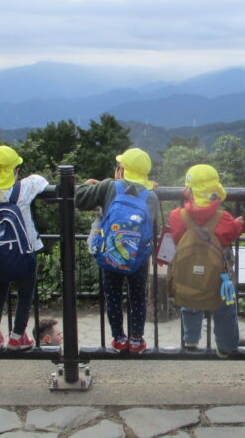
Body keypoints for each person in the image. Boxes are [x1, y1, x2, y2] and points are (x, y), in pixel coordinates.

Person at [76, 148, 158, 354]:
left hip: (110, 254)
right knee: (138, 296)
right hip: (138, 257)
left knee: (112, 296)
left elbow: (80, 200)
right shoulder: (151, 196)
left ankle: (119, 339)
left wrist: (88, 185)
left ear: (121, 169)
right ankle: (137, 340)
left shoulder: (108, 187)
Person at [0, 146, 48, 351]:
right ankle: (17, 338)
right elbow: (41, 180)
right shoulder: (22, 189)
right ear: (15, 170)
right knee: (25, 295)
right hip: (24, 253)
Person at [168, 164, 244, 357]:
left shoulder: (177, 216)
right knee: (224, 305)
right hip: (218, 274)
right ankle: (226, 345)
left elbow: (177, 238)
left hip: (189, 272)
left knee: (190, 299)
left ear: (188, 191)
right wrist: (238, 224)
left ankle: (190, 339)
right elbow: (232, 234)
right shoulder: (224, 218)